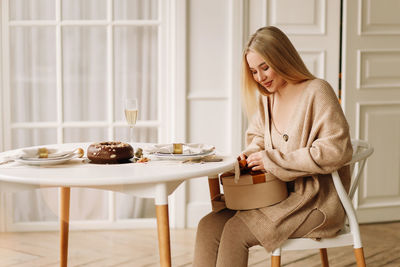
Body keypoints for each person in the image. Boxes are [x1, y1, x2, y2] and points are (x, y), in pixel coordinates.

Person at [193, 26, 353, 267]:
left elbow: (337, 151)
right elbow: (258, 139)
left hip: (316, 203)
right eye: (253, 71)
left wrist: (273, 160)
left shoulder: (317, 91)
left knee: (236, 232)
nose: (260, 78)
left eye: (265, 67)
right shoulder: (267, 97)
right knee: (208, 225)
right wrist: (249, 155)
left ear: (283, 58)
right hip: (274, 194)